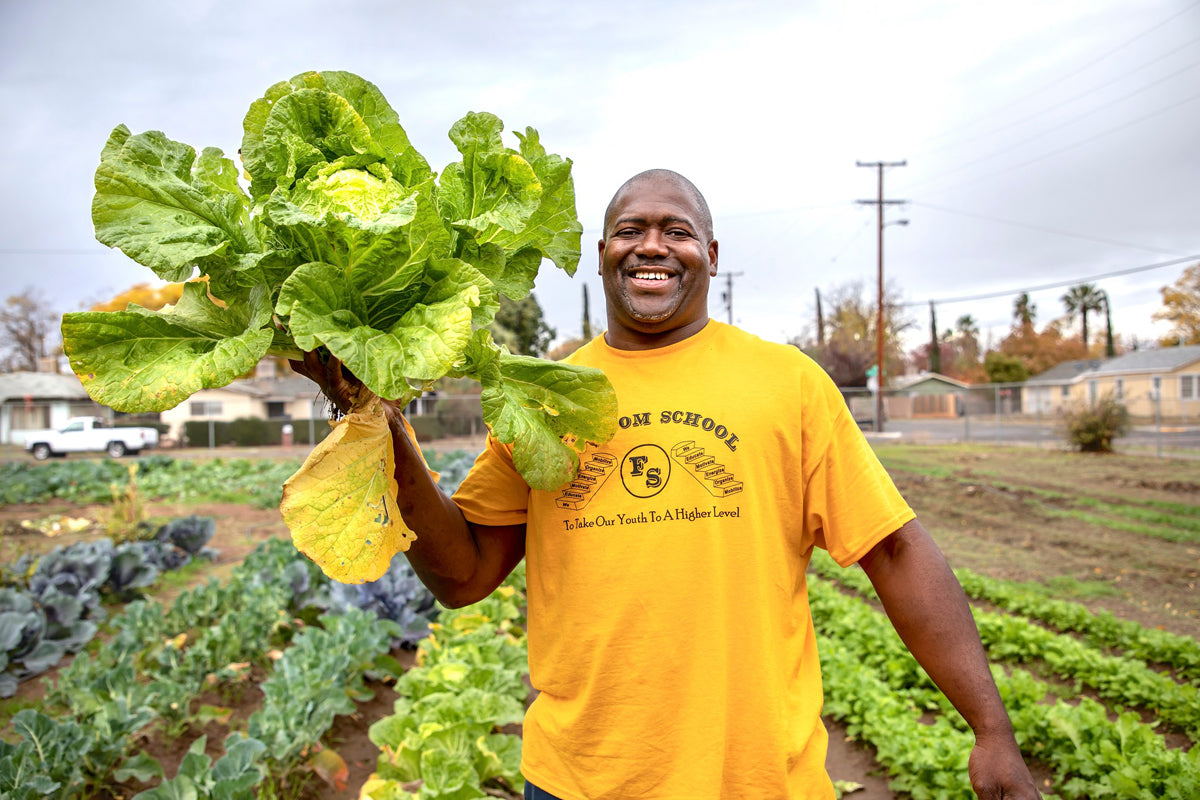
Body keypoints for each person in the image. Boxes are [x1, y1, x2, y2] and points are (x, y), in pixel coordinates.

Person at [293, 169, 1041, 800]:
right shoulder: (543, 395)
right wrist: (376, 416)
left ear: (710, 254)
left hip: (758, 781)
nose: (652, 244)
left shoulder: (789, 385)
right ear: (602, 254)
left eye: (676, 230)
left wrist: (993, 728)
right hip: (579, 779)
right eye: (630, 229)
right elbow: (463, 575)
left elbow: (897, 553)